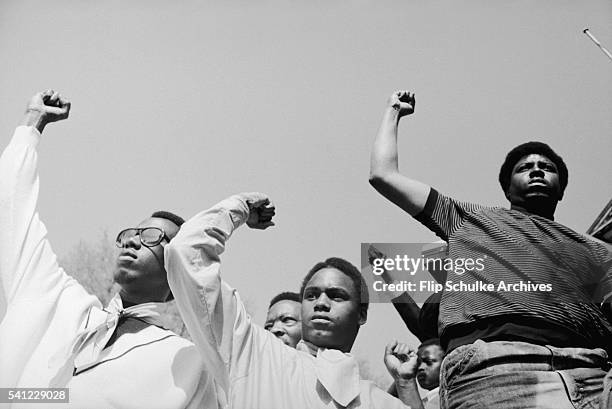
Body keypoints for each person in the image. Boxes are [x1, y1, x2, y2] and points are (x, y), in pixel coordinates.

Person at [369, 90, 612, 408]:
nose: (537, 170)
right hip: (498, 373)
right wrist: (393, 111)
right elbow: (384, 175)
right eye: (525, 168)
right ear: (507, 187)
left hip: (592, 373)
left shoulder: (596, 251)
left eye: (546, 167)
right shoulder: (468, 220)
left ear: (562, 188)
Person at [0, 90, 219, 408]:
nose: (132, 240)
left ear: (179, 275)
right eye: (132, 232)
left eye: (153, 237)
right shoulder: (60, 301)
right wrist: (32, 122)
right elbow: (11, 209)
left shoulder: (185, 361)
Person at [164, 193, 414, 408]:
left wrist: (405, 383)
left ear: (361, 314)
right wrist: (241, 207)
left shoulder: (378, 401)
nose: (321, 303)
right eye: (311, 295)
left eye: (337, 296)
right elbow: (186, 252)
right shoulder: (254, 353)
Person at [385, 339, 445, 409]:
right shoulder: (423, 402)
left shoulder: (452, 397)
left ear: (446, 362)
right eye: (417, 363)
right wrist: (400, 371)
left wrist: (405, 379)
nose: (420, 367)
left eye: (428, 361)